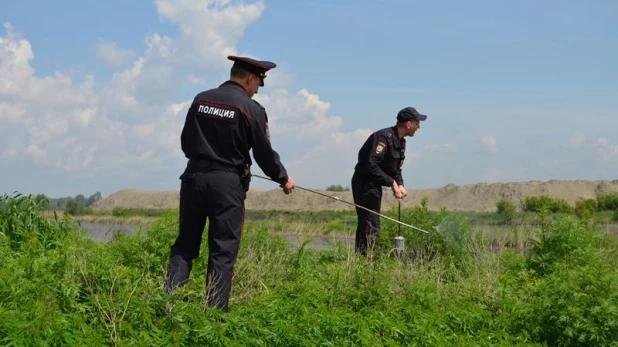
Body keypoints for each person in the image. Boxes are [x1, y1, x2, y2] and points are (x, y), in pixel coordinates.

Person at [164, 55, 295, 312]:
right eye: (258, 83)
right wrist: (283, 178)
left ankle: (169, 305)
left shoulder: (201, 99)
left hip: (193, 179)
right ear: (249, 78)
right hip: (226, 186)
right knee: (222, 251)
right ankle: (214, 318)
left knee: (185, 245)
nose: (257, 90)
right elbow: (264, 153)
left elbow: (185, 143)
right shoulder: (251, 108)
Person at [351, 106, 427, 256]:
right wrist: (391, 183)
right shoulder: (383, 137)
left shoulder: (401, 143)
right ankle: (366, 261)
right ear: (408, 124)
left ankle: (361, 259)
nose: (419, 126)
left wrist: (400, 184)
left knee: (370, 223)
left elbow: (396, 169)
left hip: (375, 184)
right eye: (417, 122)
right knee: (370, 225)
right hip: (364, 183)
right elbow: (371, 165)